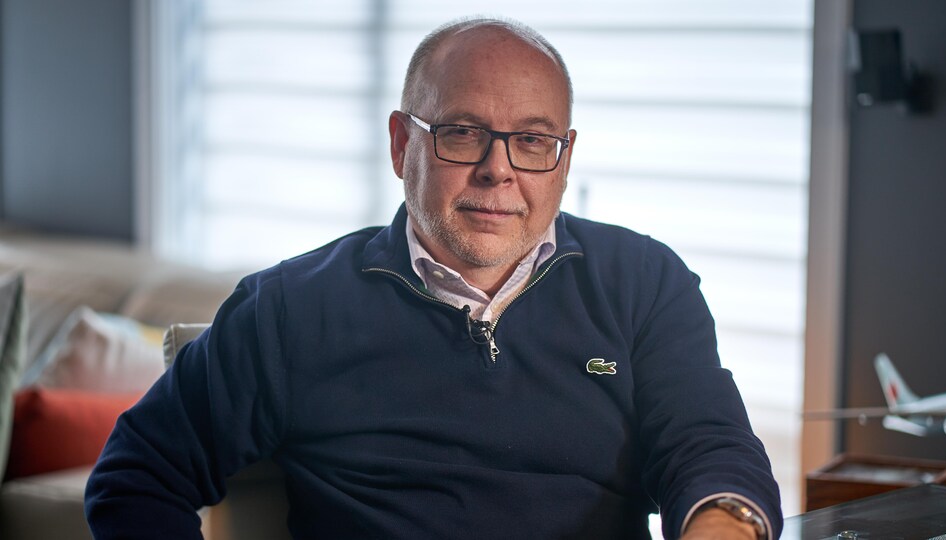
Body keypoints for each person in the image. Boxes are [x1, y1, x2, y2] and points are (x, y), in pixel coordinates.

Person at [85, 17, 782, 540]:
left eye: (533, 140)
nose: (498, 170)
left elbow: (710, 446)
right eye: (462, 133)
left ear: (565, 159)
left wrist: (720, 523)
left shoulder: (645, 283)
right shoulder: (290, 309)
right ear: (401, 143)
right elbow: (138, 474)